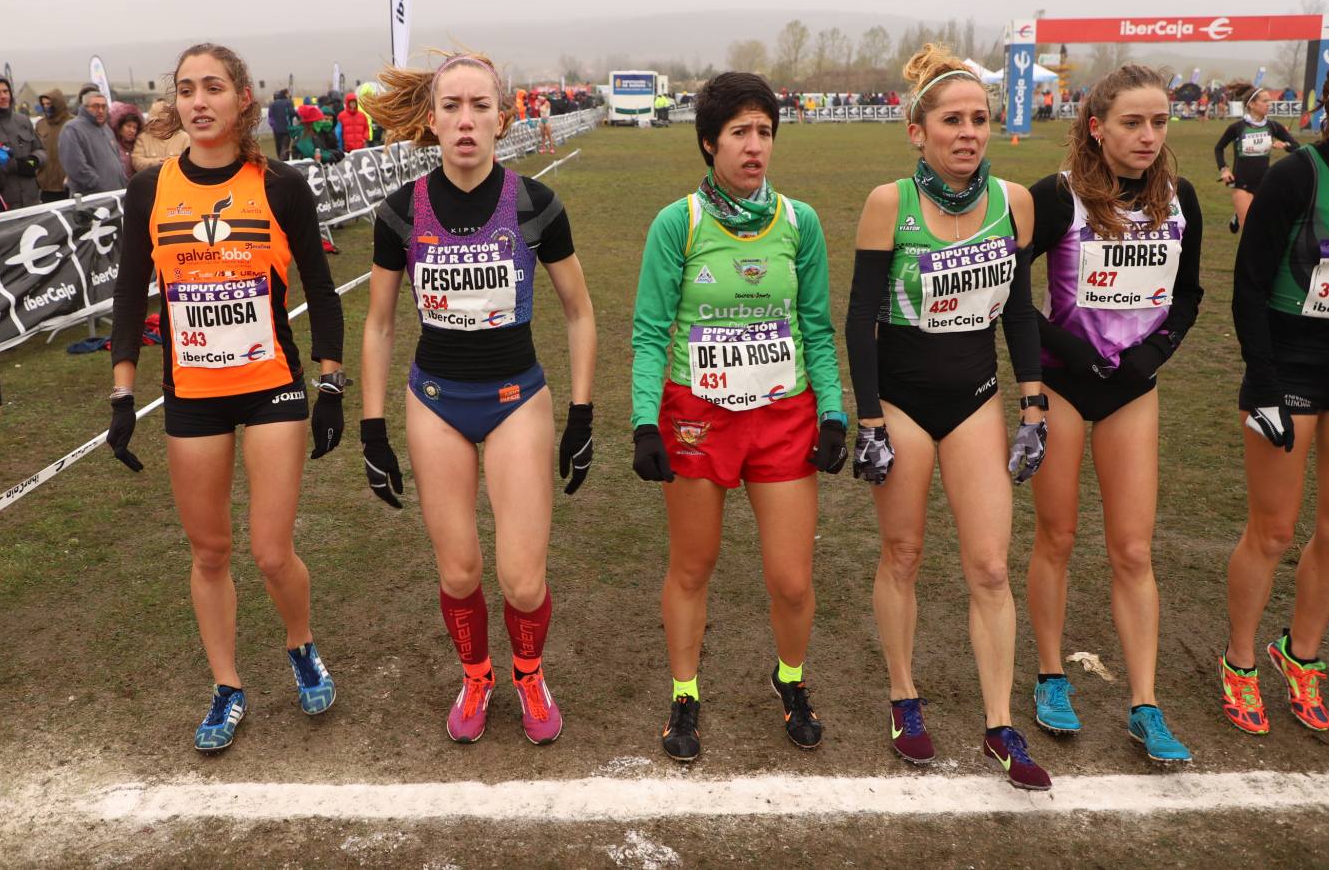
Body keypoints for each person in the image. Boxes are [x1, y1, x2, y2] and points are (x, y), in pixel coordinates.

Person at [107, 42, 345, 753]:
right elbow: (127, 297)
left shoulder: (280, 186)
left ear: (244, 98)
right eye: (186, 89)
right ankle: (227, 684)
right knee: (209, 551)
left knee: (271, 551)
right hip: (193, 395)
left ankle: (300, 646)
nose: (198, 101)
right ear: (175, 103)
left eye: (213, 86)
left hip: (271, 383)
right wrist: (123, 395)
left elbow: (323, 293)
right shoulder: (150, 190)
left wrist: (330, 382)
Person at [359, 51, 596, 747]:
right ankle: (476, 672)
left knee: (522, 579)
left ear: (503, 115)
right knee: (459, 568)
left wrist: (581, 413)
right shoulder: (401, 212)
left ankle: (528, 672)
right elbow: (378, 322)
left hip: (516, 396)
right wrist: (373, 428)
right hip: (435, 399)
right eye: (452, 107)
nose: (466, 121)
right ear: (431, 120)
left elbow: (580, 312)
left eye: (480, 106)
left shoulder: (535, 204)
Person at [844, 43, 1051, 790]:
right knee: (902, 555)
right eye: (952, 120)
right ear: (917, 130)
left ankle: (1000, 724)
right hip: (899, 404)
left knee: (991, 566)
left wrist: (1034, 402)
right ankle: (905, 698)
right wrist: (868, 421)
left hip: (975, 402)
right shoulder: (887, 203)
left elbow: (1020, 313)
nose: (969, 132)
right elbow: (860, 318)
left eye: (980, 119)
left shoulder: (1014, 203)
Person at [630, 71, 848, 762]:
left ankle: (790, 679)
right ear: (708, 142)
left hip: (784, 416)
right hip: (696, 416)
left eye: (765, 132)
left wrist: (834, 412)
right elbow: (648, 331)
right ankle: (685, 693)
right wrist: (643, 422)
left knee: (791, 577)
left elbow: (816, 325)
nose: (756, 146)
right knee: (693, 566)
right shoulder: (679, 223)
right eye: (740, 133)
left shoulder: (799, 222)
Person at [1024, 64, 1205, 764]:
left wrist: (1150, 354)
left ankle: (1145, 701)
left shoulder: (1181, 198)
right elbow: (1009, 287)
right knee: (1058, 537)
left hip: (1133, 387)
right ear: (1096, 127)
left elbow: (1187, 297)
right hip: (1068, 383)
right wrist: (1070, 349)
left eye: (1159, 121)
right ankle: (1050, 675)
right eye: (1132, 122)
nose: (1148, 135)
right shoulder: (1058, 195)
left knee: (1133, 548)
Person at [1221, 17, 1329, 736]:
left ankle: (1301, 652)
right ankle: (1242, 659)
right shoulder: (1295, 177)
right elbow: (1248, 287)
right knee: (1274, 530)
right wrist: (1262, 382)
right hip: (1290, 366)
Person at [1215, 87, 1299, 234]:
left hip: (1265, 184)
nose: (1269, 103)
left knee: (1265, 227)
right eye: (1265, 100)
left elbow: (1296, 146)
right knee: (1249, 230)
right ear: (1252, 104)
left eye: (1269, 100)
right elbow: (1219, 148)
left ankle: (1238, 214)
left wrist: (1284, 145)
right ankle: (1240, 213)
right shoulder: (1237, 127)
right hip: (1242, 184)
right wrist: (1224, 169)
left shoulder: (1273, 126)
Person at [0, 71, 44, 209]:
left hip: (32, 200)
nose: (3, 96)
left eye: (6, 91)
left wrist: (34, 160)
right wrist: (13, 166)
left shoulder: (22, 120)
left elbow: (41, 149)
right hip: (2, 204)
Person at [57, 88, 127, 195]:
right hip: (93, 199)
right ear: (84, 108)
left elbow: (117, 159)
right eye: (95, 106)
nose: (100, 110)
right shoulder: (72, 129)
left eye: (104, 106)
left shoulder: (107, 129)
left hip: (115, 194)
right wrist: (97, 185)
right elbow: (76, 167)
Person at [34, 89, 72, 202]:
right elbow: (35, 149)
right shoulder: (41, 125)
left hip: (67, 184)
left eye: (49, 104)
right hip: (46, 185)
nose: (46, 107)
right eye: (44, 104)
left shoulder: (73, 123)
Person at [130, 99, 188, 172]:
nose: (159, 124)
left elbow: (191, 163)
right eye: (156, 121)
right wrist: (158, 162)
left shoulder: (184, 137)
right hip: (151, 181)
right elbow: (136, 162)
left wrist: (172, 163)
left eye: (163, 121)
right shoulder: (143, 138)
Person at [109, 101, 145, 180]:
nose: (132, 130)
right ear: (120, 127)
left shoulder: (138, 146)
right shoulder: (113, 145)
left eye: (134, 127)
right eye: (128, 126)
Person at [267, 88, 296, 161]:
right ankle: (283, 160)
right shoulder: (289, 102)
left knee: (279, 146)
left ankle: (280, 159)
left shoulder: (272, 104)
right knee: (285, 146)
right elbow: (292, 113)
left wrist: (273, 125)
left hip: (276, 128)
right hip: (287, 127)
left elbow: (270, 116)